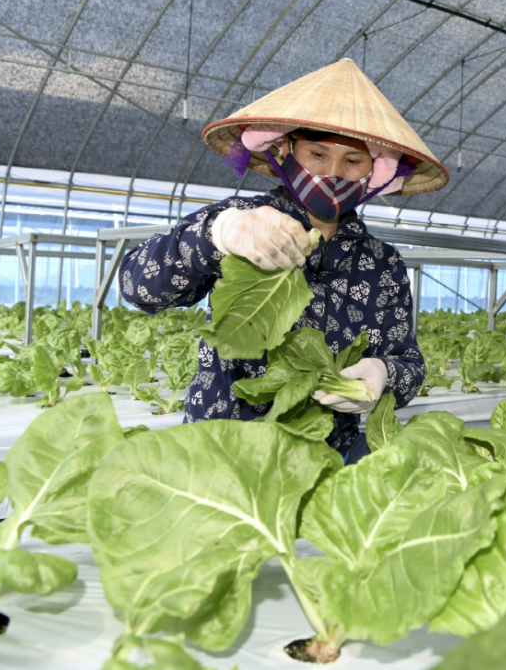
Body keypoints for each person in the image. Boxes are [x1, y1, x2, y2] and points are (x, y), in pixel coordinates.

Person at [117, 59, 449, 463]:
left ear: (376, 173)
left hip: (328, 455)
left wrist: (384, 375)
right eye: (317, 153)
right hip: (226, 448)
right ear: (285, 149)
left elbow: (408, 363)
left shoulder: (382, 263)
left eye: (352, 161)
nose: (332, 172)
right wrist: (215, 234)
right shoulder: (244, 222)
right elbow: (139, 288)